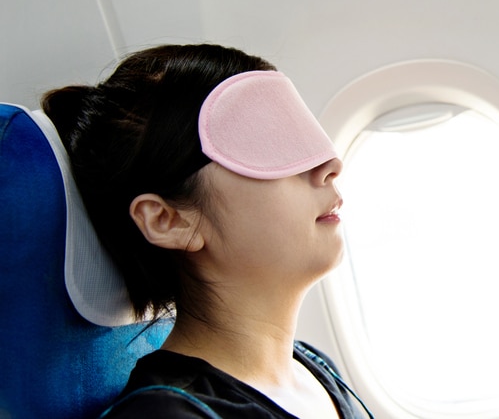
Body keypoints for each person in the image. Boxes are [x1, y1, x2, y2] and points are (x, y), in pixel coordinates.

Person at [41, 44, 372, 418]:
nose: (330, 165)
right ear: (169, 221)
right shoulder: (164, 416)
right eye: (270, 144)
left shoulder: (315, 369)